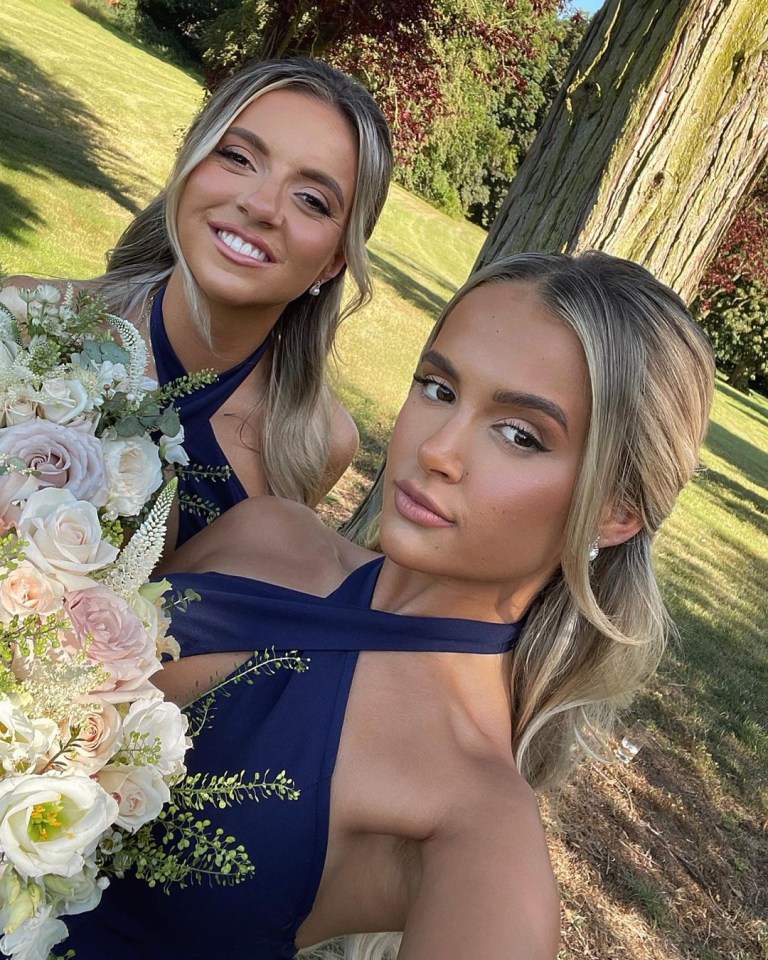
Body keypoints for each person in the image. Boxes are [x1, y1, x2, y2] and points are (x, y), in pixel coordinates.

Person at [66, 251, 715, 960]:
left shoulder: (474, 825)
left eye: (521, 434)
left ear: (615, 512)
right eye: (438, 387)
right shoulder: (266, 531)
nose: (437, 449)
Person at [4, 58, 393, 546]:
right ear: (189, 165)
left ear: (335, 260)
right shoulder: (26, 317)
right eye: (237, 157)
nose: (261, 205)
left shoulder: (316, 444)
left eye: (312, 199)